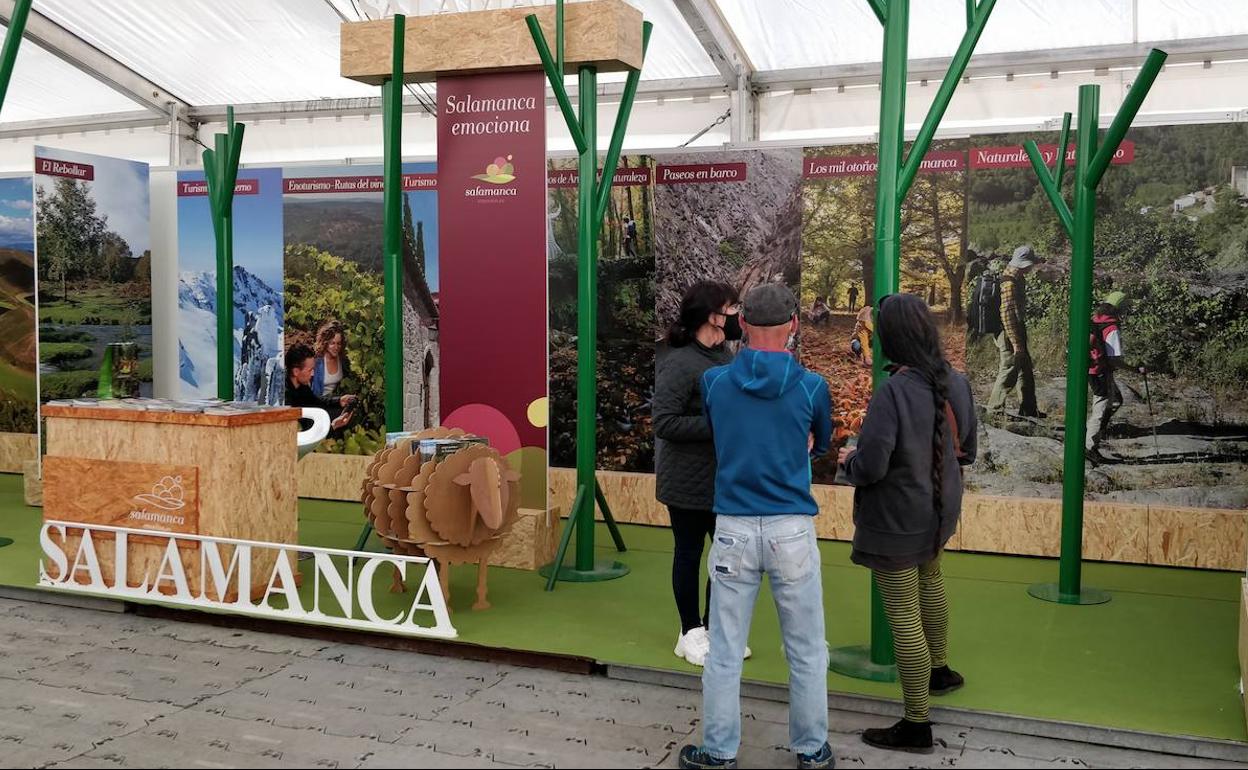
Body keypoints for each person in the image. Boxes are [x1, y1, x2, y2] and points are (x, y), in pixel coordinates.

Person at [678, 284, 835, 770]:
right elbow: (821, 443)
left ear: (740, 326)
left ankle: (719, 751)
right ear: (793, 326)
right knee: (807, 649)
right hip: (792, 529)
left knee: (724, 651)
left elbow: (720, 429)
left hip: (732, 530)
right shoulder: (813, 387)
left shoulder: (716, 384)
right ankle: (812, 751)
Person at [838, 293, 977, 754]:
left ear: (889, 336)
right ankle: (941, 671)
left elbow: (873, 464)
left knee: (903, 618)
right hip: (941, 509)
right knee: (931, 581)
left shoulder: (893, 391)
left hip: (897, 517)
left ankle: (917, 723)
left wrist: (849, 461)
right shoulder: (955, 381)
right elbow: (968, 450)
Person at [654, 281, 752, 668]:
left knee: (724, 558)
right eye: (730, 309)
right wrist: (719, 425)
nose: (735, 316)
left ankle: (714, 629)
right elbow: (665, 422)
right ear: (711, 314)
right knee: (690, 552)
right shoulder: (679, 362)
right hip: (685, 481)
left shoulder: (725, 357)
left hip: (723, 477)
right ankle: (689, 631)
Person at [987, 245, 1043, 418]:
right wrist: (1017, 343)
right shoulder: (1009, 283)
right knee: (1010, 368)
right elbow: (1007, 315)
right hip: (1009, 333)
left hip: (1015, 330)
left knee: (1025, 368)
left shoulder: (1017, 278)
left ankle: (1029, 409)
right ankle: (994, 410)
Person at [1087, 291, 1130, 462]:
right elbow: (1114, 359)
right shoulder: (1111, 328)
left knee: (1115, 400)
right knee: (1101, 407)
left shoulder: (1095, 319)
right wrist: (1135, 369)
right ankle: (1089, 447)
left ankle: (1093, 435)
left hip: (1091, 369)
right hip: (1100, 371)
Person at [286, 343, 356, 433]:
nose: (313, 374)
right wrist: (332, 427)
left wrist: (339, 401)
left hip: (305, 424)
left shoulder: (301, 384)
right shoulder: (284, 398)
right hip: (296, 437)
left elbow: (314, 401)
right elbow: (299, 437)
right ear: (296, 371)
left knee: (339, 411)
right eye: (310, 370)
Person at [312, 320, 350, 397]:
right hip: (319, 403)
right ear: (325, 343)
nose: (336, 347)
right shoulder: (316, 362)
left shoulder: (343, 361)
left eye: (338, 343)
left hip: (337, 402)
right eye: (332, 343)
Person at [851, 303, 874, 367]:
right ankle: (858, 355)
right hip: (859, 339)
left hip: (873, 339)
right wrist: (867, 357)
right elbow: (864, 341)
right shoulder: (863, 322)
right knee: (856, 345)